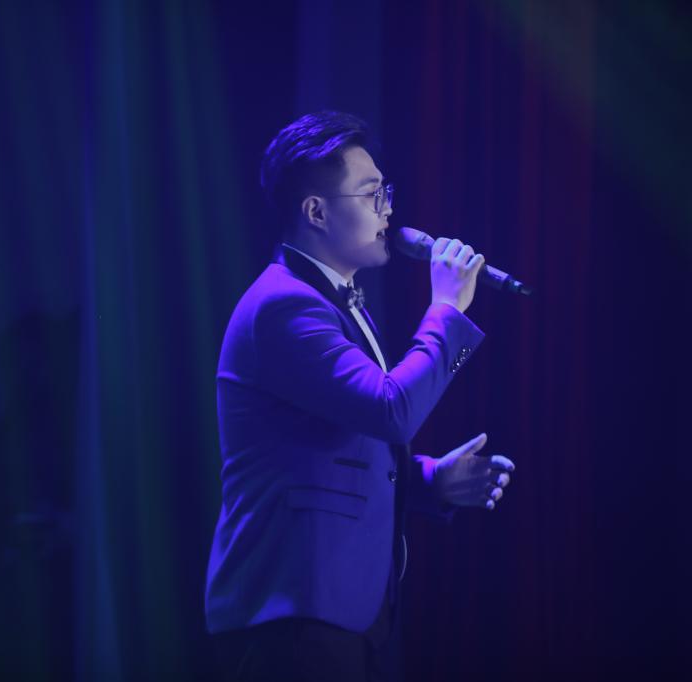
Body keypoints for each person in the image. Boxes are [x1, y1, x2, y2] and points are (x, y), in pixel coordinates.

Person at [205, 111, 514, 681]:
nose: (388, 210)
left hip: (337, 611)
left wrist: (430, 480)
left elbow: (340, 445)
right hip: (290, 609)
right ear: (316, 212)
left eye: (385, 193)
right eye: (372, 194)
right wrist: (446, 309)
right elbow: (391, 410)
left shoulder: (332, 303)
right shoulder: (285, 305)